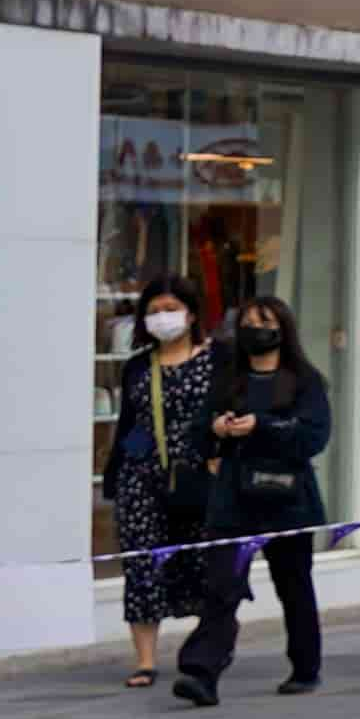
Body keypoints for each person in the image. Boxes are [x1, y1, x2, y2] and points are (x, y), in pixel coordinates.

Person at [175, 291, 335, 703]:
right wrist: (218, 429)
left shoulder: (305, 380)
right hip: (234, 500)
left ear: (283, 330)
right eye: (248, 323)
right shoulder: (228, 380)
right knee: (221, 586)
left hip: (289, 500)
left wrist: (261, 426)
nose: (256, 331)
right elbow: (196, 434)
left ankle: (305, 667)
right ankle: (201, 672)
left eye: (265, 323)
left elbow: (313, 436)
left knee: (294, 586)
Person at [101, 283, 221, 688]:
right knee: (142, 565)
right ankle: (146, 661)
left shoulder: (218, 360)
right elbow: (127, 424)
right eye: (154, 310)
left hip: (200, 475)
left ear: (191, 313)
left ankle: (206, 650)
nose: (163, 317)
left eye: (171, 308)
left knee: (206, 563)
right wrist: (116, 475)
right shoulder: (138, 365)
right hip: (142, 477)